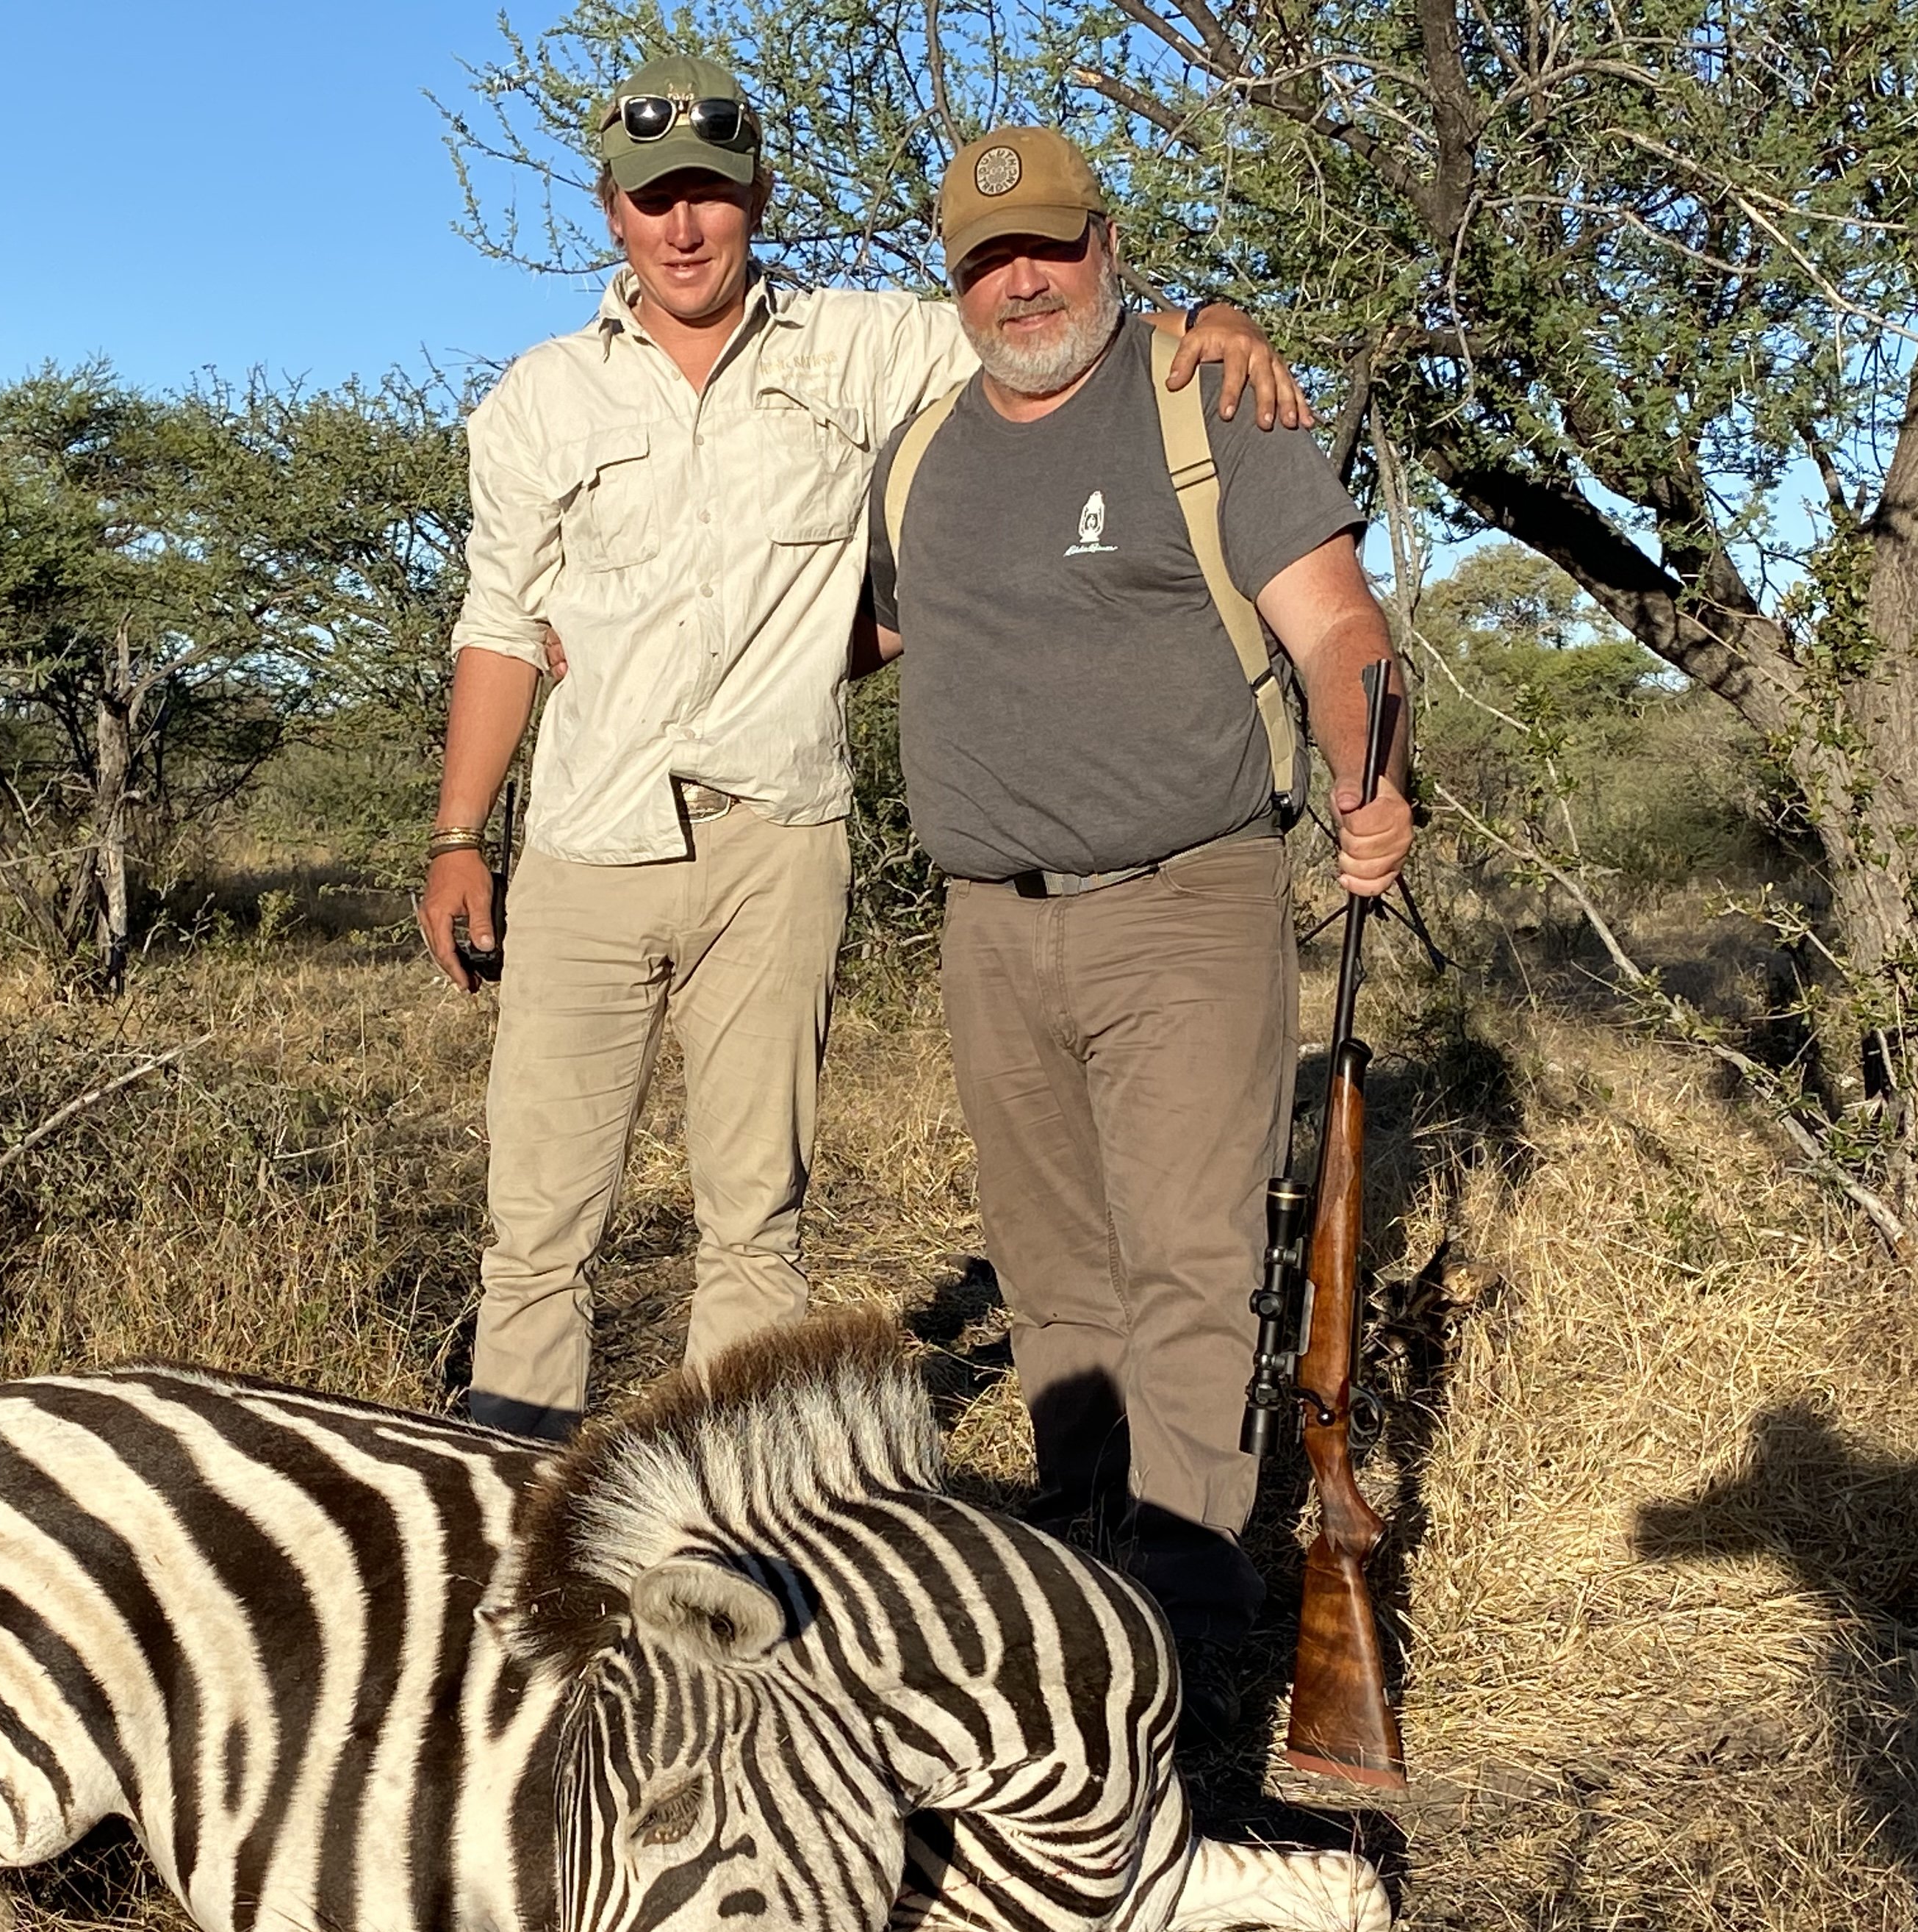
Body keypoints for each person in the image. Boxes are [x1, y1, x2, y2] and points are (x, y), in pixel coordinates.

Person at [421, 55, 1310, 1442]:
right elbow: (496, 619)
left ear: (758, 201)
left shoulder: (867, 345)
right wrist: (460, 834)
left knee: (755, 1225)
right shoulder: (538, 399)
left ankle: (725, 1537)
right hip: (589, 842)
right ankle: (494, 1533)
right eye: (655, 201)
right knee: (537, 1227)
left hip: (780, 838)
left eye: (712, 196)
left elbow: (1050, 312)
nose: (685, 227)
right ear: (612, 214)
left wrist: (1216, 314)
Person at [861, 126, 1414, 1655]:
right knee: (1050, 1275)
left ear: (1107, 244)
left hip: (1187, 899)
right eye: (988, 262)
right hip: (989, 921)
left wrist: (1371, 774)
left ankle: (1192, 1611)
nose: (1022, 283)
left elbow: (1338, 629)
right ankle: (1084, 1579)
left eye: (1047, 246)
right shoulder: (918, 459)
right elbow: (853, 638)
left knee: (1189, 1257)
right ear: (954, 284)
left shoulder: (1210, 402)